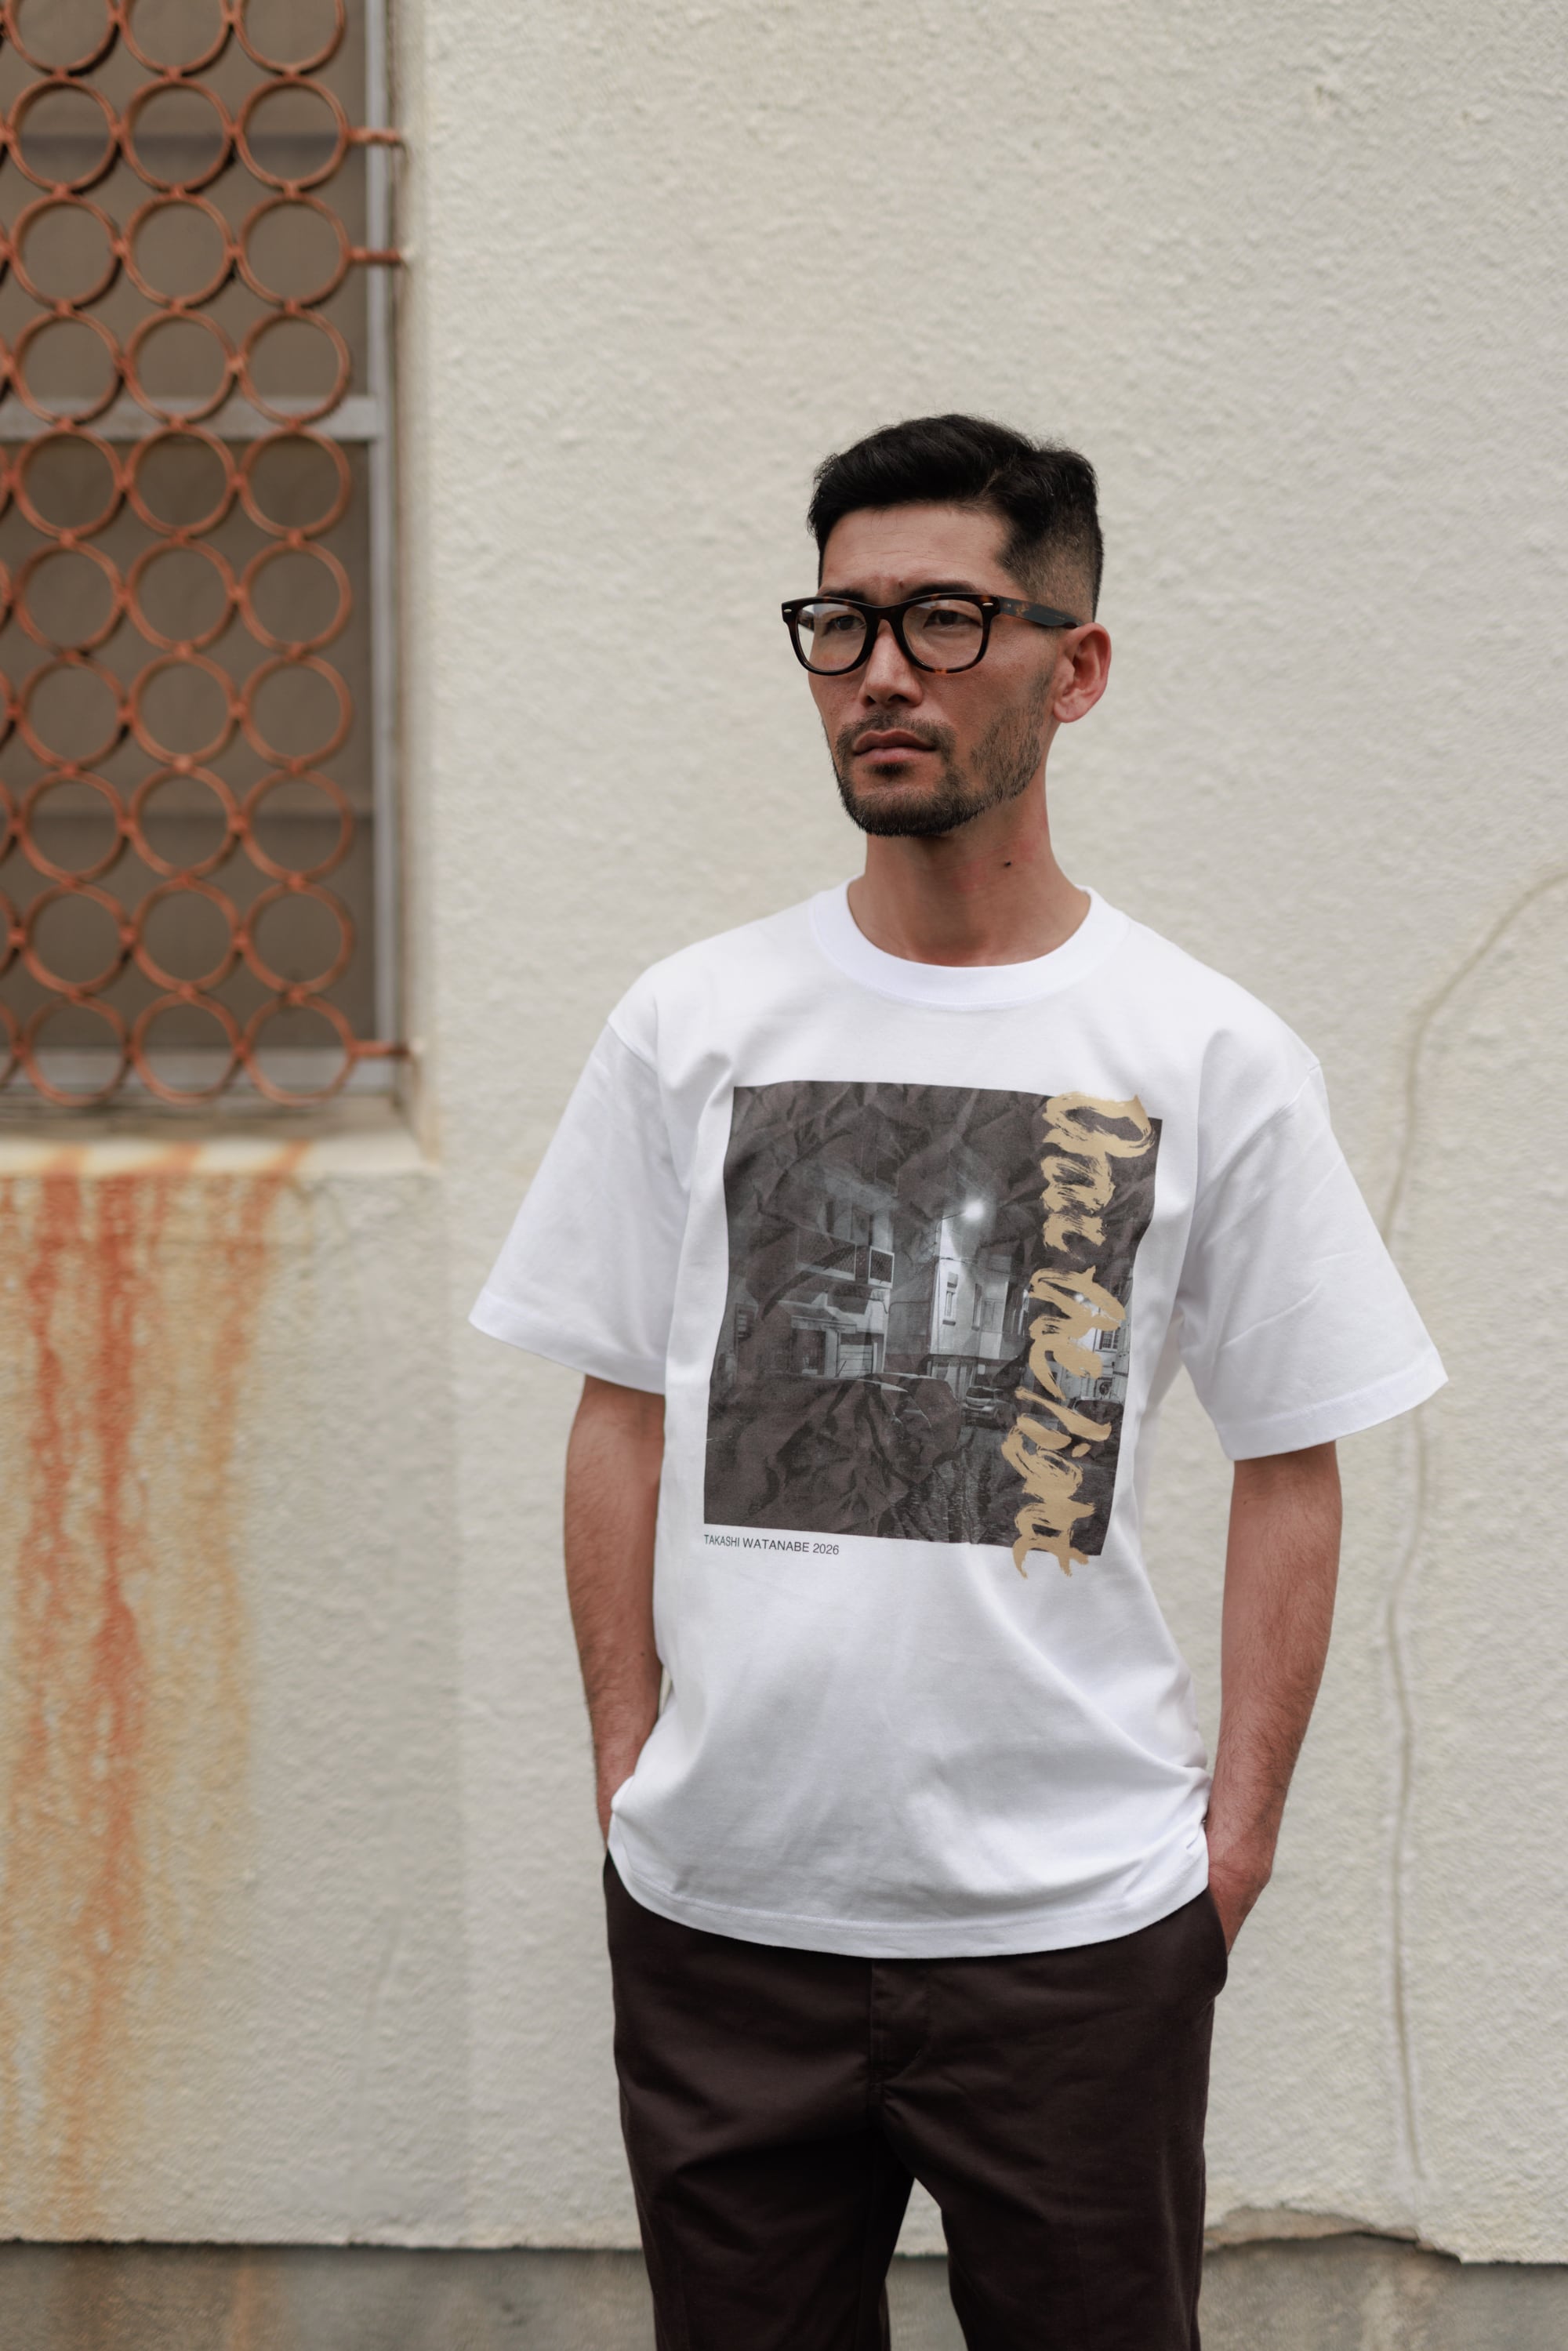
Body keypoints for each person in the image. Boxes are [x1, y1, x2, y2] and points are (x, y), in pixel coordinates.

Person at [471, 414, 1444, 2350]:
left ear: (1073, 669)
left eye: (942, 618)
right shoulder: (691, 1022)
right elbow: (618, 1408)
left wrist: (1228, 1853)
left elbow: (1292, 1461)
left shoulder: (1204, 1051)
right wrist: (626, 1773)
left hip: (1075, 1932)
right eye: (839, 623)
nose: (881, 672)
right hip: (723, 1918)